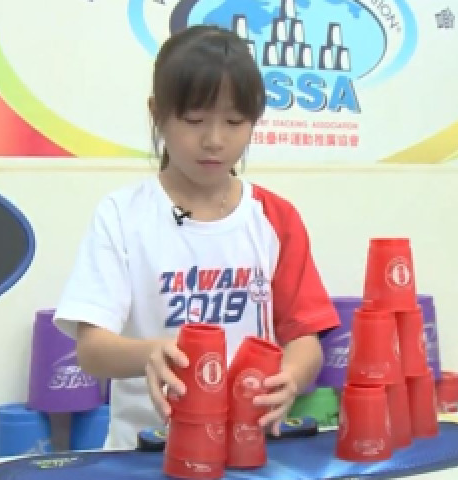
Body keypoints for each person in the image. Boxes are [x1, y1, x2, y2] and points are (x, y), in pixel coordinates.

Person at [53, 24, 339, 450]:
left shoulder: (274, 218)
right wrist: (148, 354)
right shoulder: (122, 216)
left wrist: (292, 377)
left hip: (249, 450)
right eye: (194, 120)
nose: (214, 140)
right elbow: (91, 349)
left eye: (234, 122)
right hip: (146, 454)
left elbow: (305, 339)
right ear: (158, 114)